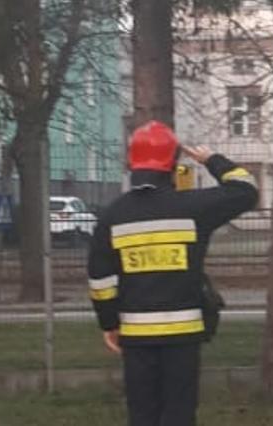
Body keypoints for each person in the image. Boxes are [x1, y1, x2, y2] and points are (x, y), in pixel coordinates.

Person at [87, 122, 259, 426]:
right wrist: (211, 160)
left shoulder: (113, 215)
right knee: (179, 413)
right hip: (183, 335)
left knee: (142, 414)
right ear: (173, 163)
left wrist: (109, 323)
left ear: (131, 162)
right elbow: (247, 190)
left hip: (136, 336)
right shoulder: (194, 207)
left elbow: (101, 280)